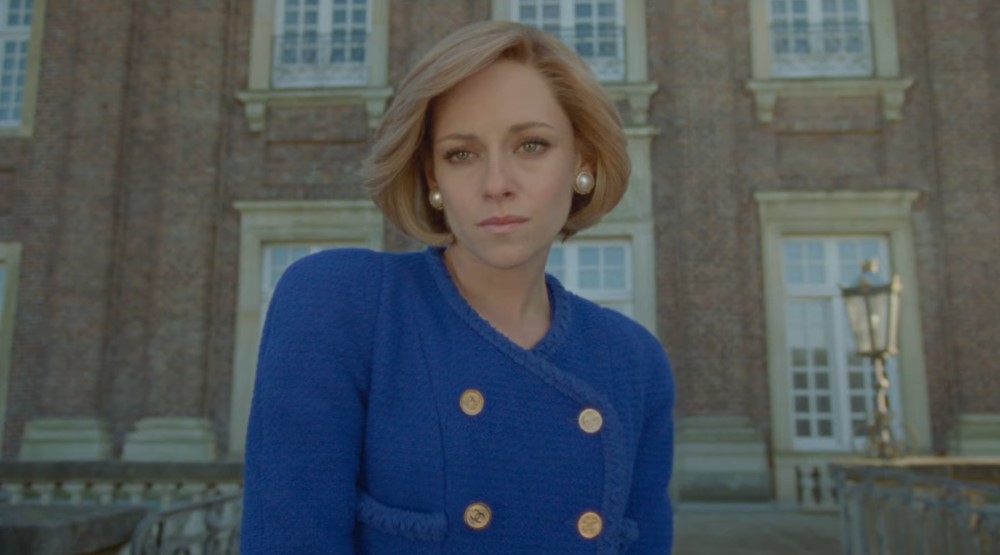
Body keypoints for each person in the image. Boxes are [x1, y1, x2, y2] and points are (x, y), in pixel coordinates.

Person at [241, 20, 675, 554]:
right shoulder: (342, 305)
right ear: (432, 178)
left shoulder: (633, 362)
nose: (496, 184)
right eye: (461, 154)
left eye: (531, 145)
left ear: (582, 162)